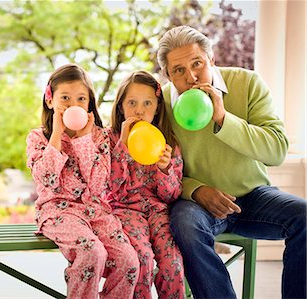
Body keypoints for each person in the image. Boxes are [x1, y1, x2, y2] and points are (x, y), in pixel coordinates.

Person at [157, 25, 306, 298]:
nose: (191, 77)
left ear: (212, 60)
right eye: (178, 71)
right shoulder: (162, 104)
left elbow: (276, 150)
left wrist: (223, 119)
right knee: (185, 225)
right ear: (168, 75)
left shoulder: (247, 83)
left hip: (253, 197)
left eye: (197, 64)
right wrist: (196, 190)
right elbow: (160, 167)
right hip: (197, 204)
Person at [26, 63, 140, 299]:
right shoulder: (38, 137)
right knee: (92, 253)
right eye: (65, 98)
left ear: (89, 105)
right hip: (57, 212)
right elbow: (46, 178)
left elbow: (98, 186)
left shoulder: (100, 136)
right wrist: (57, 135)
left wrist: (84, 141)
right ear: (50, 100)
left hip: (96, 211)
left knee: (128, 262)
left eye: (81, 99)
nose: (73, 105)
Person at [107, 70, 185, 299]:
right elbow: (112, 190)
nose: (139, 110)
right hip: (125, 211)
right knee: (142, 259)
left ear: (157, 107)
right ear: (121, 106)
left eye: (147, 103)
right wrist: (122, 146)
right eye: (132, 102)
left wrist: (164, 169)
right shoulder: (110, 140)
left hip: (159, 212)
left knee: (173, 264)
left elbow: (172, 195)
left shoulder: (167, 142)